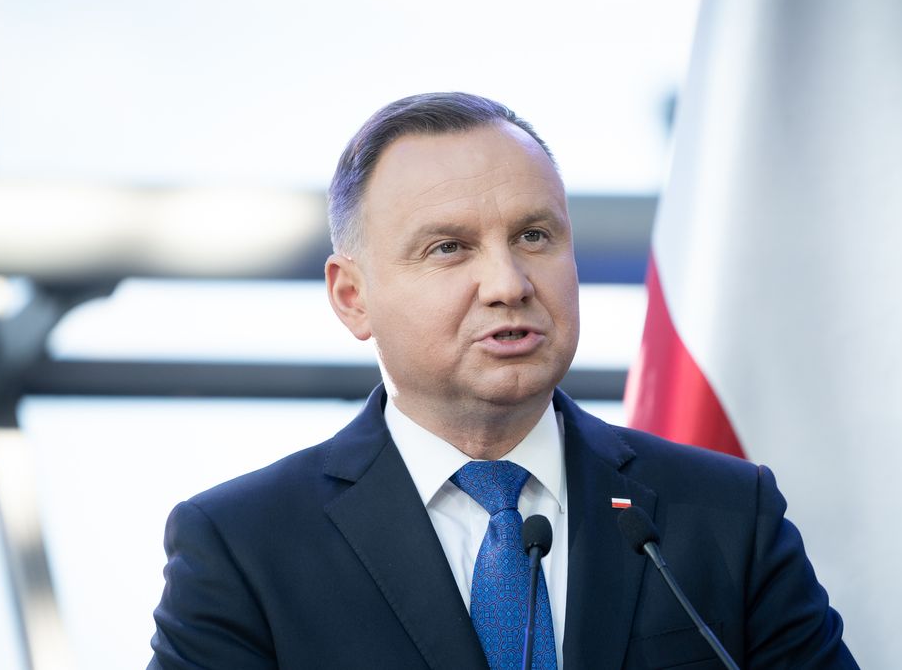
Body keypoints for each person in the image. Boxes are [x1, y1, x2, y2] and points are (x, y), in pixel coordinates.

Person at [148, 92, 858, 669]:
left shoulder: (725, 514)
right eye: (449, 248)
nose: (509, 283)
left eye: (534, 236)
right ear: (352, 297)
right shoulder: (245, 545)